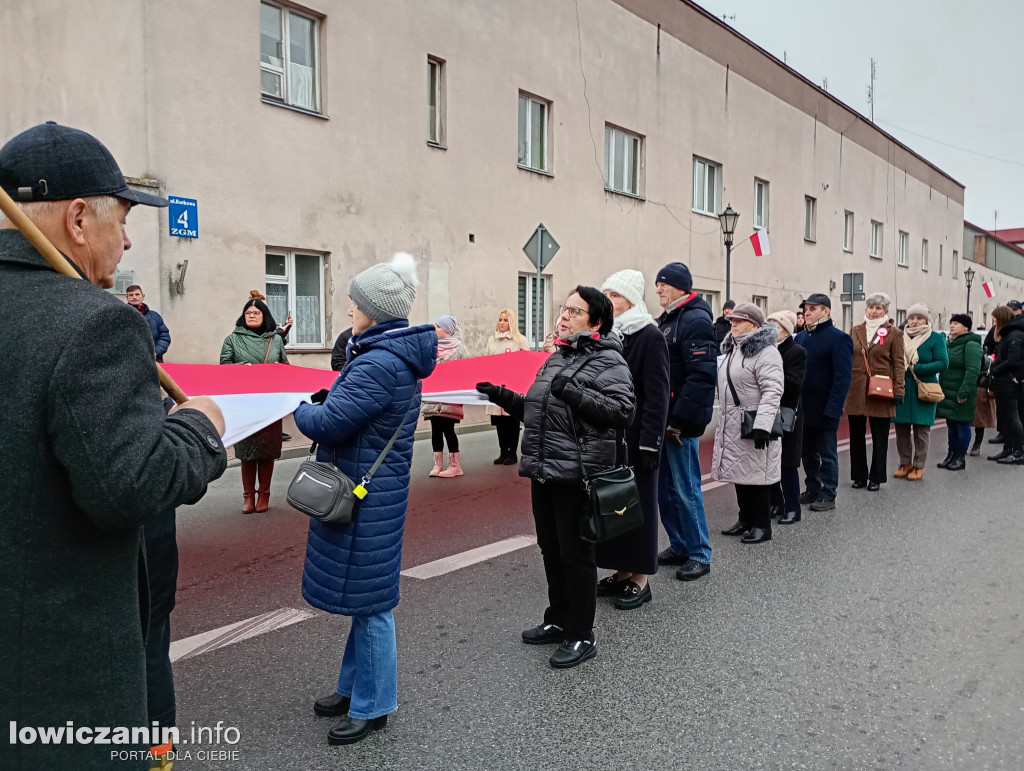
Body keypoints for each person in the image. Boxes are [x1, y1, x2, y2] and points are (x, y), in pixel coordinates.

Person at [0, 121, 227, 770]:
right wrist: (199, 427)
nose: (126, 240)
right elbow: (132, 483)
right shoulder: (96, 322)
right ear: (77, 219)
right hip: (62, 693)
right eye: (121, 218)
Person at [296, 253, 437, 745]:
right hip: (371, 491)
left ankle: (374, 705)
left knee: (373, 603)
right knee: (364, 598)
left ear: (375, 310)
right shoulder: (386, 356)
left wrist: (301, 409)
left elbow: (331, 421)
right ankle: (354, 686)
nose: (349, 309)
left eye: (355, 302)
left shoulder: (378, 362)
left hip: (366, 496)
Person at [477, 286, 635, 668]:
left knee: (576, 555)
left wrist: (577, 394)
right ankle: (558, 619)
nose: (563, 316)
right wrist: (504, 397)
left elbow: (622, 412)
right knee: (550, 548)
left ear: (596, 321)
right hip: (544, 470)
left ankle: (582, 633)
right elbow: (539, 413)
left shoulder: (610, 361)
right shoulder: (555, 359)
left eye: (574, 312)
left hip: (578, 474)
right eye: (563, 309)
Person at [595, 270, 670, 609]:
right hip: (610, 437)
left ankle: (641, 577)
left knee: (638, 506)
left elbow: (657, 395)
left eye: (615, 296)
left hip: (638, 439)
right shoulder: (607, 335)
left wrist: (651, 441)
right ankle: (623, 569)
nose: (608, 301)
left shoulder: (649, 336)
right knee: (615, 505)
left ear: (632, 300)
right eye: (606, 294)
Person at [655, 262, 717, 581]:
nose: (659, 289)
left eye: (664, 284)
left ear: (681, 288)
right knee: (665, 489)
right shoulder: (668, 319)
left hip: (681, 424)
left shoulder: (694, 320)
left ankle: (698, 552)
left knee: (685, 488)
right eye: (657, 285)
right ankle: (679, 544)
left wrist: (678, 419)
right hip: (663, 420)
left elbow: (702, 375)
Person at [714, 304, 784, 544]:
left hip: (754, 422)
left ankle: (762, 525)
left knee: (758, 475)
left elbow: (773, 390)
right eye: (732, 320)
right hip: (734, 421)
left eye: (739, 320)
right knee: (740, 472)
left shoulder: (765, 352)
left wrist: (763, 425)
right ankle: (745, 519)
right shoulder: (735, 349)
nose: (733, 323)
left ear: (754, 325)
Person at [220, 293, 289, 512]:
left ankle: (264, 495)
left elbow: (285, 367)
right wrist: (240, 369)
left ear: (264, 316)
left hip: (269, 401)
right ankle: (248, 496)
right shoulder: (232, 339)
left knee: (267, 451)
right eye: (248, 312)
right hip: (244, 401)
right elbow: (223, 367)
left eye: (256, 312)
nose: (251, 315)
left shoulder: (275, 339)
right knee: (247, 451)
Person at [794, 293, 853, 511]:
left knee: (827, 454)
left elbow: (842, 378)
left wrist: (834, 408)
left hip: (826, 407)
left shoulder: (839, 338)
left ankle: (828, 493)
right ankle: (813, 488)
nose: (807, 313)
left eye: (813, 309)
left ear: (826, 311)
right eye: (805, 309)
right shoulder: (801, 338)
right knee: (807, 453)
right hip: (804, 407)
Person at [843, 292, 905, 492]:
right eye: (870, 307)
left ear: (885, 311)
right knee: (856, 435)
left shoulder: (893, 333)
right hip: (856, 388)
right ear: (865, 309)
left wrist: (899, 389)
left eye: (878, 308)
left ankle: (876, 477)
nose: (873, 311)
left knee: (880, 436)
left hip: (881, 388)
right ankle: (859, 476)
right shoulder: (855, 330)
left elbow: (899, 363)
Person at [893, 304, 948, 479]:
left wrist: (916, 368)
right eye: (911, 318)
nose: (915, 321)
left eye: (919, 318)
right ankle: (905, 462)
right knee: (901, 428)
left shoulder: (935, 338)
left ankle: (919, 465)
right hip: (901, 387)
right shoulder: (899, 337)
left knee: (921, 429)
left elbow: (942, 362)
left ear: (926, 320)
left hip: (924, 388)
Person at [766, 310, 807, 525]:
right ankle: (776, 502)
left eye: (776, 325)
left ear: (786, 331)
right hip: (766, 410)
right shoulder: (765, 350)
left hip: (787, 412)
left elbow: (794, 384)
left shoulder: (796, 352)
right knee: (768, 459)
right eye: (769, 323)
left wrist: (770, 379)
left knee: (787, 463)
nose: (771, 329)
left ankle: (793, 507)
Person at [423, 315, 471, 477]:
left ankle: (455, 466)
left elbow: (468, 370)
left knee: (448, 430)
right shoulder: (431, 348)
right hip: (433, 398)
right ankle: (438, 464)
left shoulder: (460, 349)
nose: (435, 329)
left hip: (450, 398)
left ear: (448, 330)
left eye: (438, 326)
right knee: (436, 431)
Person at [936, 314, 983, 471]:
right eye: (951, 323)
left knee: (962, 424)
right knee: (951, 424)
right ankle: (951, 454)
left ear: (966, 327)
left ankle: (960, 457)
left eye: (956, 323)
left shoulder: (971, 344)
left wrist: (964, 391)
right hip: (948, 391)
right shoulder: (950, 343)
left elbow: (972, 370)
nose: (952, 326)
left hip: (962, 392)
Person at [485, 307, 532, 464]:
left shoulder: (520, 340)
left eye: (506, 320)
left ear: (511, 322)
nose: (502, 323)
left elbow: (527, 364)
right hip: (496, 385)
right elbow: (486, 360)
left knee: (512, 421)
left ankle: (512, 453)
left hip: (512, 387)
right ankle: (503, 451)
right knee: (500, 422)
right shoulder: (491, 340)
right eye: (500, 319)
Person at [987, 306, 1024, 464]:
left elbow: (1013, 360)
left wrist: (995, 369)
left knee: (1013, 416)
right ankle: (1008, 448)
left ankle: (1018, 451)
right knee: (1005, 417)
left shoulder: (1014, 334)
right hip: (1004, 381)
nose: (994, 323)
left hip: (1011, 380)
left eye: (995, 319)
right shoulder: (1008, 334)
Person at [971, 314, 1000, 455]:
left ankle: (976, 444)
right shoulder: (992, 332)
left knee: (979, 418)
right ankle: (959, 446)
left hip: (981, 384)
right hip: (970, 384)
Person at [125, 284, 171, 361]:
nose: (134, 297)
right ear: (127, 298)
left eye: (137, 294)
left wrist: (156, 351)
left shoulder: (155, 316)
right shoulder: (121, 316)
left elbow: (164, 336)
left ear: (143, 296)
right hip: (129, 361)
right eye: (131, 295)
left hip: (153, 361)